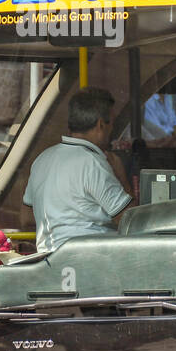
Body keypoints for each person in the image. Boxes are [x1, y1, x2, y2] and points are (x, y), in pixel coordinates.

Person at [24, 87, 134, 252]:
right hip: (89, 260)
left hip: (48, 261)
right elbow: (130, 220)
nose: (113, 129)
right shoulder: (92, 162)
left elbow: (25, 218)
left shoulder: (42, 158)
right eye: (112, 122)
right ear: (100, 125)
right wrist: (121, 175)